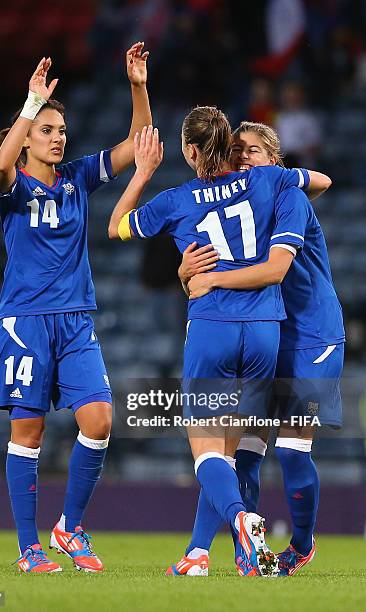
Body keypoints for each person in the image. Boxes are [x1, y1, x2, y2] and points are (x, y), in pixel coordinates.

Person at [108, 108, 331, 577]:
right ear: (227, 146)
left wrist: (143, 170)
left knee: (209, 450)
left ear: (190, 150)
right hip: (267, 332)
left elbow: (118, 226)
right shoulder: (270, 183)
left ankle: (243, 520)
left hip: (217, 325)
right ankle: (199, 553)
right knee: (239, 449)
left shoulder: (177, 199)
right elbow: (319, 178)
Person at [0, 43, 152, 574]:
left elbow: (134, 143)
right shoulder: (12, 187)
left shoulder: (79, 177)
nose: (58, 139)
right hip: (26, 323)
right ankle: (27, 548)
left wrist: (138, 86)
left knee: (100, 419)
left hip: (76, 319)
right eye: (47, 131)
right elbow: (0, 163)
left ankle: (70, 528)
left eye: (61, 132)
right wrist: (31, 102)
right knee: (28, 433)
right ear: (29, 135)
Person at [179, 121, 344, 576]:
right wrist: (187, 274)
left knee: (291, 450)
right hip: (262, 333)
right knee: (241, 450)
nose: (243, 158)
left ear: (274, 159)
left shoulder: (288, 198)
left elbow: (273, 270)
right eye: (235, 151)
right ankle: (222, 551)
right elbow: (198, 273)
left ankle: (303, 544)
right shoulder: (233, 204)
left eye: (252, 150)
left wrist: (209, 278)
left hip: (309, 334)